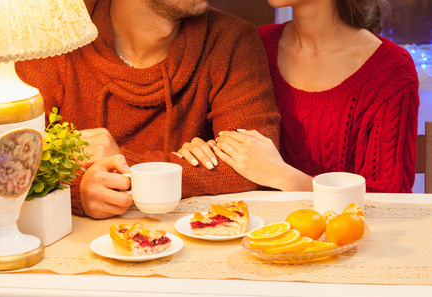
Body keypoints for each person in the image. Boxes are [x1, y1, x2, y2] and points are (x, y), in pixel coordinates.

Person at [15, 0, 281, 219]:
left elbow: (254, 164)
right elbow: (8, 164)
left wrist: (120, 163)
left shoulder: (231, 39)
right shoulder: (55, 33)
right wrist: (77, 193)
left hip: (187, 252)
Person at [178, 0, 419, 193]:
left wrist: (285, 178)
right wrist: (202, 150)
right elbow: (233, 152)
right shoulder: (254, 46)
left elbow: (389, 201)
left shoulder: (391, 70)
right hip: (259, 237)